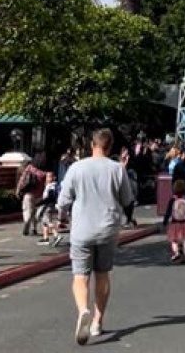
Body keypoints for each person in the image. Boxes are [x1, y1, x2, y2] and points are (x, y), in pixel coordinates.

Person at [57, 128, 133, 345]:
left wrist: (62, 218)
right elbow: (127, 200)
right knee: (102, 274)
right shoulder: (117, 169)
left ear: (92, 145)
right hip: (107, 230)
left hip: (82, 230)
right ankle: (98, 321)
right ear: (110, 147)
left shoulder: (76, 168)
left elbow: (63, 201)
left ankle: (83, 310)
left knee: (80, 276)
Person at [16, 152, 47, 236]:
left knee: (27, 210)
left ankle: (27, 221)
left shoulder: (29, 168)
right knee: (36, 212)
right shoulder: (43, 172)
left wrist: (18, 190)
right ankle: (34, 228)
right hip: (39, 195)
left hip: (28, 193)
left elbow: (22, 179)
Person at [163, 178, 185, 264]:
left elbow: (168, 212)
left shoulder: (173, 199)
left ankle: (176, 253)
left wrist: (165, 221)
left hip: (175, 223)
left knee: (174, 240)